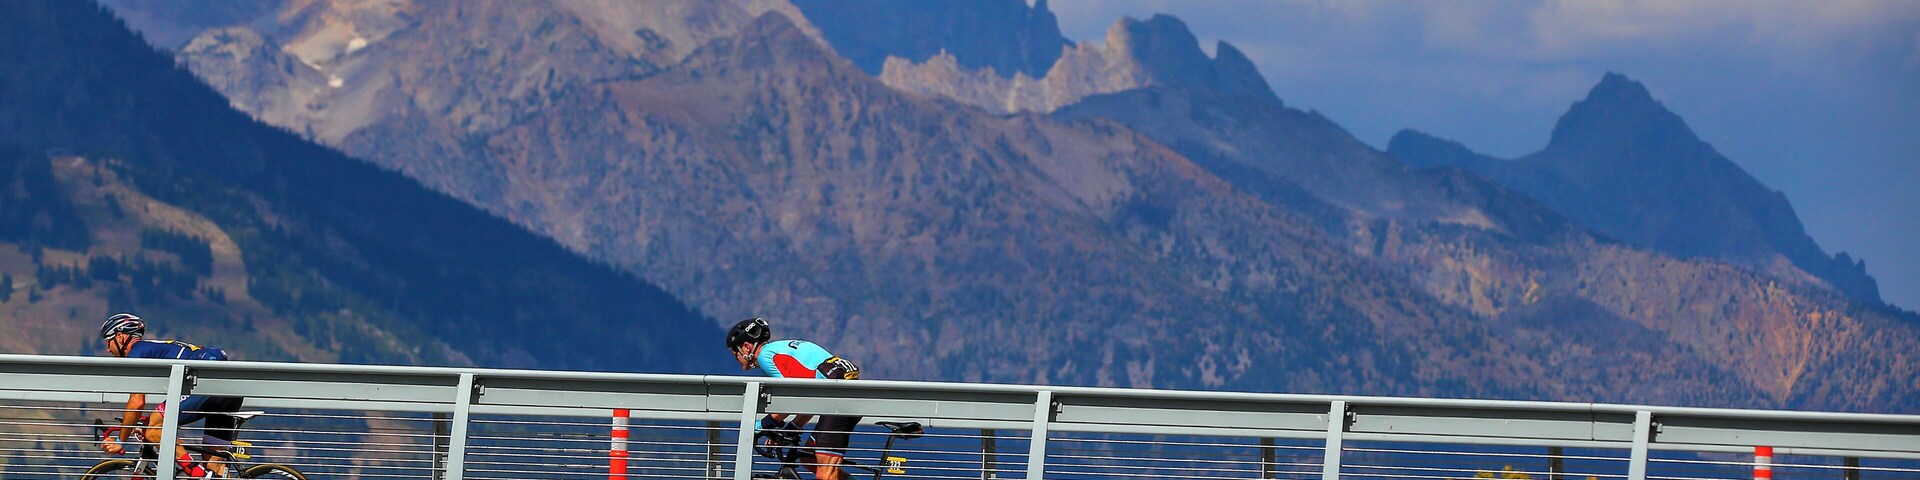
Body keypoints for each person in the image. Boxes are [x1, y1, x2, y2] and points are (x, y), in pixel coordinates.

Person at [98, 313, 244, 478]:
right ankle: (205, 475)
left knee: (153, 429)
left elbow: (136, 403)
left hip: (208, 385)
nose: (109, 349)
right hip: (228, 391)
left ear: (120, 336)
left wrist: (120, 441)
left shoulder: (136, 353)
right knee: (214, 466)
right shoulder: (151, 350)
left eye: (108, 341)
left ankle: (197, 475)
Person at [726, 317, 863, 480]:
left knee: (826, 475)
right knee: (808, 459)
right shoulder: (780, 348)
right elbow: (809, 395)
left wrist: (762, 425)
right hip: (839, 399)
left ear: (746, 347)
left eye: (735, 353)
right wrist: (794, 426)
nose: (736, 359)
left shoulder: (765, 356)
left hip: (837, 403)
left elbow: (793, 397)